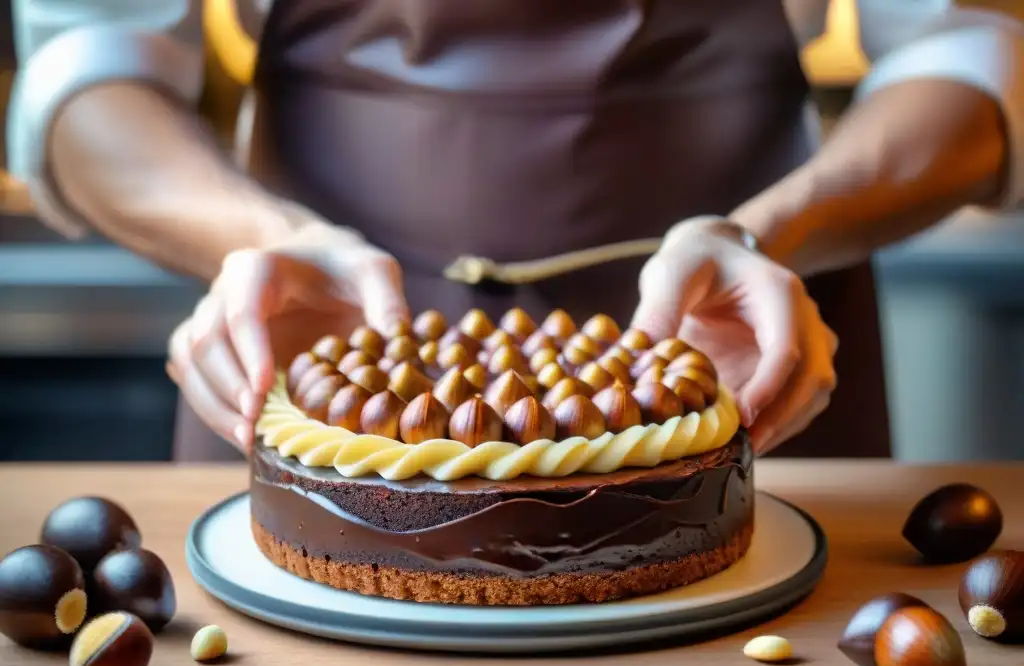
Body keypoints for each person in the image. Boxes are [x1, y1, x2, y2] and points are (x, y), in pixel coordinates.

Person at [7, 0, 1022, 462]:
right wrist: (256, 239)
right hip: (313, 344)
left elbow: (966, 49)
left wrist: (771, 235)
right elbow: (95, 67)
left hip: (741, 348)